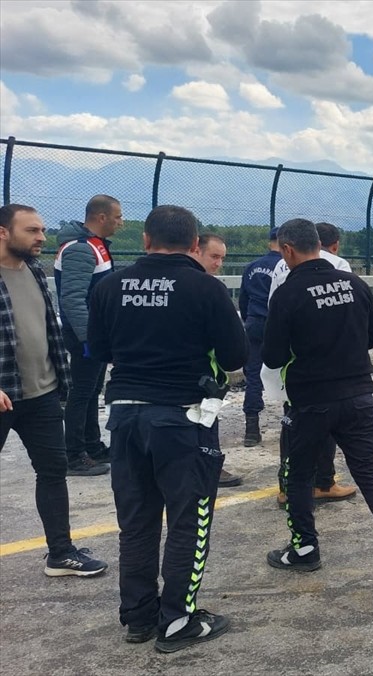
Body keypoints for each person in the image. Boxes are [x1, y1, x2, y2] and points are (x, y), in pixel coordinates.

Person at [88, 204, 247, 653]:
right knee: (188, 520)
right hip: (182, 417)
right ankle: (178, 619)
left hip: (124, 415)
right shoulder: (205, 288)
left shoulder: (110, 285)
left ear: (144, 240)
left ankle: (138, 616)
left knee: (136, 521)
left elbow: (97, 349)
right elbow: (236, 357)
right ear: (195, 244)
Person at [261, 218, 373, 598]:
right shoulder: (355, 284)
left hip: (311, 400)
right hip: (358, 394)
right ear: (321, 244)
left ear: (286, 250)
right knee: (368, 471)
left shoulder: (288, 293)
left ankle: (304, 548)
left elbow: (271, 354)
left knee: (299, 474)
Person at [0, 204, 109, 578]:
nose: (42, 238)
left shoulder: (32, 270)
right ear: (3, 232)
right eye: (31, 230)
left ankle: (60, 553)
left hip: (41, 393)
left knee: (53, 471)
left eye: (42, 229)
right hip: (4, 394)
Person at [265, 221, 357, 506]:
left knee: (291, 422)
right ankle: (323, 483)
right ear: (330, 244)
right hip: (329, 363)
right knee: (327, 424)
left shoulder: (281, 266)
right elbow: (346, 313)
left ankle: (286, 486)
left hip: (291, 362)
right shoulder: (339, 265)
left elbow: (273, 309)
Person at [54, 194, 122, 476]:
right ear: (101, 217)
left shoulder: (95, 246)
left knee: (92, 389)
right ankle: (74, 455)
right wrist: (87, 338)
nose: (121, 222)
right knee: (81, 392)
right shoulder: (81, 249)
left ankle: (92, 446)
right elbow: (72, 299)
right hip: (85, 335)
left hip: (95, 334)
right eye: (117, 216)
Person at [188, 235, 243, 489]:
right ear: (195, 250)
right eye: (214, 256)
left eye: (222, 258)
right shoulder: (207, 288)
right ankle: (211, 466)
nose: (219, 263)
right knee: (204, 422)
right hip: (200, 377)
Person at [238, 227, 282, 446]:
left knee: (253, 376)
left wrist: (249, 321)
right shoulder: (285, 266)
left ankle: (251, 430)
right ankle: (289, 422)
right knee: (288, 372)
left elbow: (243, 300)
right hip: (278, 326)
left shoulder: (253, 267)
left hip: (254, 323)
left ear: (269, 243)